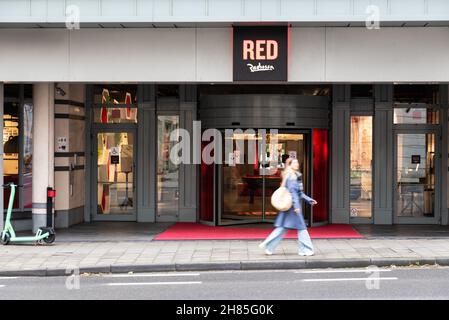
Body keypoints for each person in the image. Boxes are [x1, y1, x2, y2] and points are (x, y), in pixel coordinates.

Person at [259, 158, 318, 256]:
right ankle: (305, 249)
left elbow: (299, 193)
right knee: (302, 228)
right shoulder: (291, 177)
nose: (297, 164)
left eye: (297, 162)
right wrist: (296, 207)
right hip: (293, 207)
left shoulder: (295, 176)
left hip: (291, 207)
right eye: (295, 162)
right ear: (289, 165)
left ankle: (268, 246)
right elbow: (293, 193)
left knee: (283, 228)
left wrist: (309, 199)